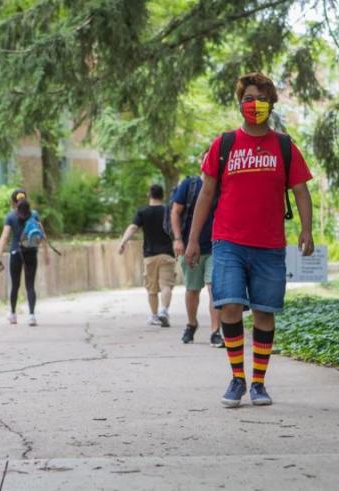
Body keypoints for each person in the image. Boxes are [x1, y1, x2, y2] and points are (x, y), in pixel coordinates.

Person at [186, 72, 314, 408]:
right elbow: (206, 193)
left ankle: (258, 383)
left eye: (259, 98)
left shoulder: (284, 146)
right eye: (247, 98)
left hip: (269, 245)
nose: (253, 104)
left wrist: (306, 229)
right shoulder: (224, 144)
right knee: (229, 305)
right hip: (228, 240)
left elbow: (301, 191)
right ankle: (237, 378)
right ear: (239, 103)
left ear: (271, 102)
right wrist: (193, 240)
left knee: (263, 312)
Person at [170, 173, 223, 347]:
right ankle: (191, 324)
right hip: (190, 247)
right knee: (192, 290)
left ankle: (215, 331)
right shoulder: (189, 184)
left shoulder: (223, 184)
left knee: (213, 288)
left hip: (216, 246)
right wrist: (178, 239)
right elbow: (175, 212)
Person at [118, 184, 176, 327]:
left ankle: (154, 316)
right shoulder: (169, 211)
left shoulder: (143, 212)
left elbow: (133, 227)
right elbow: (177, 229)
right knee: (166, 285)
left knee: (151, 289)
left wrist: (123, 242)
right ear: (162, 196)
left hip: (150, 256)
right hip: (167, 254)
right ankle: (164, 311)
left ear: (149, 194)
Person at [0, 189, 50, 326]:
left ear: (13, 202)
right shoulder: (34, 215)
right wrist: (46, 253)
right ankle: (31, 316)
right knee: (30, 285)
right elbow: (43, 235)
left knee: (15, 285)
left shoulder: (11, 216)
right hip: (31, 252)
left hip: (16, 253)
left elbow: (4, 237)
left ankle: (13, 314)